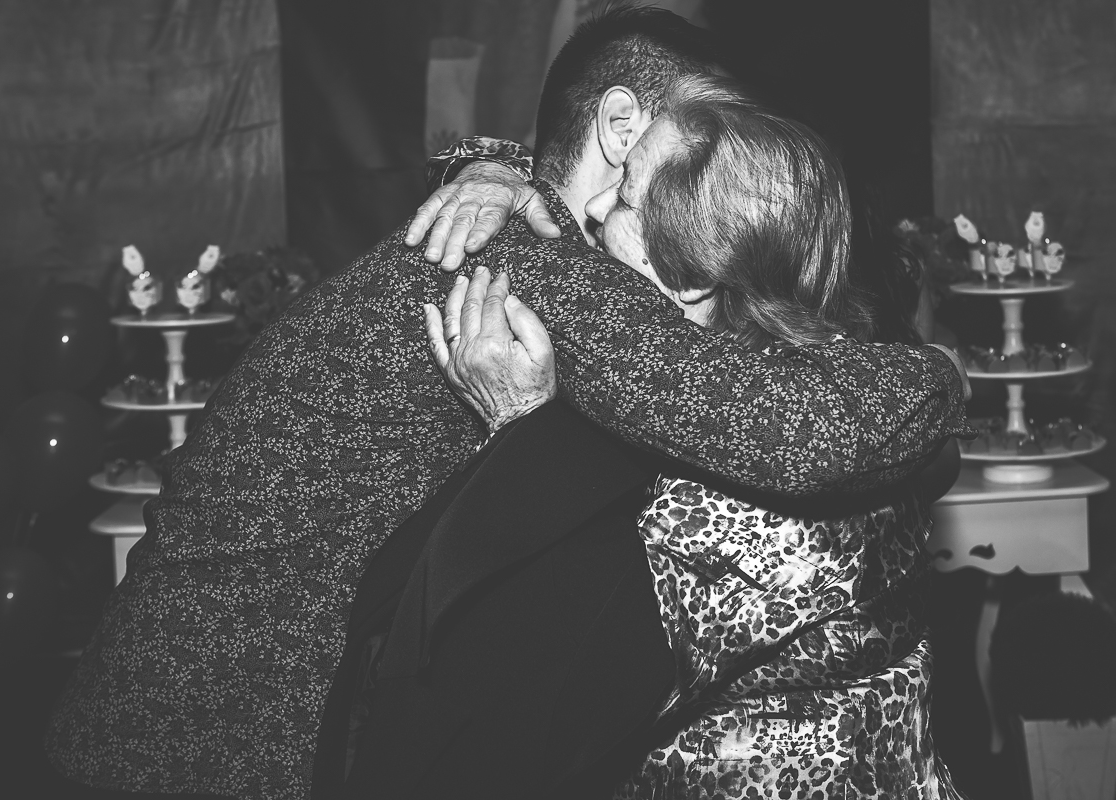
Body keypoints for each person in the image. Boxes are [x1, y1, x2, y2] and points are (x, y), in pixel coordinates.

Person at [46, 7, 970, 799]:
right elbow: (804, 432)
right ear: (622, 128)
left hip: (186, 723)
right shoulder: (538, 273)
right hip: (205, 750)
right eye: (707, 128)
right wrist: (934, 378)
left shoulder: (523, 246)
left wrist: (489, 164)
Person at [321, 75, 968, 798]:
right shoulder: (844, 398)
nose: (593, 209)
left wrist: (518, 432)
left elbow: (518, 712)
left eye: (626, 196)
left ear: (691, 272)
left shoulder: (719, 504)